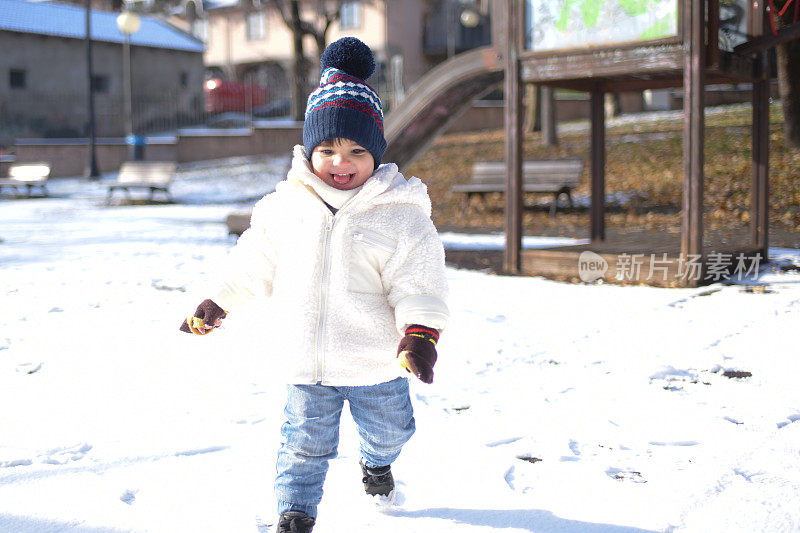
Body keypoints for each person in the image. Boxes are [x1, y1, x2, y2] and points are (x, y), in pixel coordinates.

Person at [179, 37, 449, 533]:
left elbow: (419, 280)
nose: (339, 163)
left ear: (376, 153)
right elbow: (253, 261)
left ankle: (377, 463)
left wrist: (420, 333)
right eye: (326, 149)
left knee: (393, 431)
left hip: (374, 362)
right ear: (309, 150)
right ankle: (295, 514)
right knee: (302, 444)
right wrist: (218, 300)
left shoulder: (401, 216)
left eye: (355, 150)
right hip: (306, 362)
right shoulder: (285, 208)